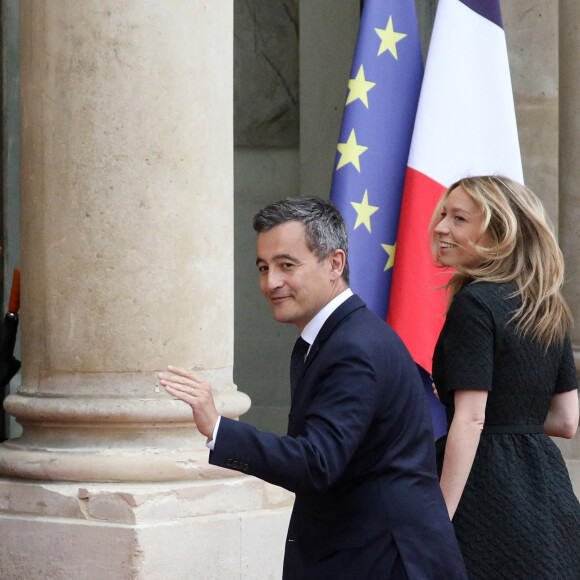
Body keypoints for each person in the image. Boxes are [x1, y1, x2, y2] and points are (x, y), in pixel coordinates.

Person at [159, 197, 467, 579]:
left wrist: (218, 427)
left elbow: (317, 462)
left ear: (335, 264)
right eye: (263, 267)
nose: (271, 282)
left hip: (385, 561)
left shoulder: (353, 347)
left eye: (287, 265)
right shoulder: (339, 336)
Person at [431, 175, 580, 579]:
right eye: (444, 214)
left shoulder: (474, 304)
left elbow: (472, 418)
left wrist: (437, 521)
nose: (441, 227)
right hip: (547, 491)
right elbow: (566, 420)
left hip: (485, 492)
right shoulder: (545, 304)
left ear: (499, 233)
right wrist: (516, 421)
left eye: (459, 218)